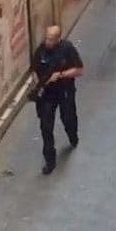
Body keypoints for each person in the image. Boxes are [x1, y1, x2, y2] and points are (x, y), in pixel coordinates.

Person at [32, 25, 83, 174]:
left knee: (68, 117)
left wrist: (60, 75)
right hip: (47, 94)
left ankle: (72, 135)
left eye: (51, 39)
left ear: (58, 39)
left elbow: (79, 70)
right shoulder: (41, 51)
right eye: (46, 38)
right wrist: (37, 83)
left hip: (64, 90)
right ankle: (50, 160)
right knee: (46, 127)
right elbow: (34, 69)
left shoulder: (67, 49)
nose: (47, 41)